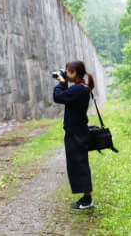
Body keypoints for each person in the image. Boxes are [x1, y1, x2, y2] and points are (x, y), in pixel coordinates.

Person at [53, 60, 95, 210]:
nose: (66, 73)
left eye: (68, 71)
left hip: (76, 134)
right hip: (77, 132)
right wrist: (64, 82)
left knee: (79, 165)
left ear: (75, 73)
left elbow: (58, 96)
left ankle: (87, 200)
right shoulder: (80, 88)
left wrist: (62, 82)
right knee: (78, 165)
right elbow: (63, 96)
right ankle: (86, 197)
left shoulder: (78, 89)